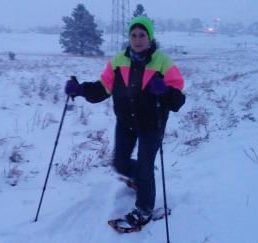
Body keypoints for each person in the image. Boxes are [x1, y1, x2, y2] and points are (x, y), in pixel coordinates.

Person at [64, 16, 185, 227]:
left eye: (142, 35)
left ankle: (144, 208)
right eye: (133, 35)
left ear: (150, 37)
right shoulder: (118, 61)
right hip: (126, 123)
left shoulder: (163, 62)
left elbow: (178, 100)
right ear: (129, 37)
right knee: (120, 163)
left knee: (145, 168)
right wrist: (80, 89)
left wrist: (164, 91)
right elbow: (102, 88)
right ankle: (141, 177)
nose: (137, 39)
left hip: (151, 124)